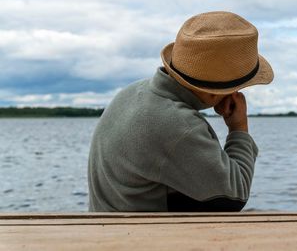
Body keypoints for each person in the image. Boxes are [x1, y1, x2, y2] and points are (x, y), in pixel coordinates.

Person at [87, 11, 274, 212]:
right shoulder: (179, 125)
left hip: (106, 232)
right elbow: (235, 195)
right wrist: (239, 128)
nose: (238, 93)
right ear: (214, 93)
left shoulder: (132, 92)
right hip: (137, 241)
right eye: (239, 87)